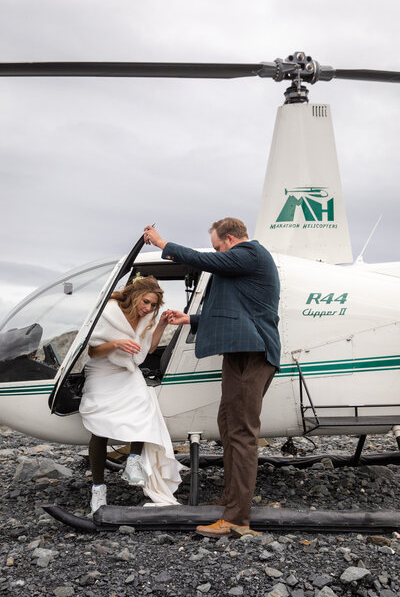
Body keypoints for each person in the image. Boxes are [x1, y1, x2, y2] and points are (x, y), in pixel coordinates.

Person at [144, 218, 280, 537]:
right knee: (228, 426)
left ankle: (237, 520)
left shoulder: (251, 254)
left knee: (242, 432)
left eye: (218, 246)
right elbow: (236, 312)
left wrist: (164, 244)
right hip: (240, 353)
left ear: (230, 239)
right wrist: (189, 319)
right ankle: (232, 500)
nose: (217, 252)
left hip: (254, 353)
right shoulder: (242, 263)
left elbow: (206, 260)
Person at [79, 275, 184, 514]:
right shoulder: (109, 311)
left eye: (153, 305)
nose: (148, 308)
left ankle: (133, 460)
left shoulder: (146, 317)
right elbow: (93, 351)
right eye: (145, 302)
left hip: (127, 369)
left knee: (144, 403)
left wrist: (161, 325)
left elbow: (148, 349)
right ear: (136, 296)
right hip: (103, 370)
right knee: (99, 426)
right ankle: (98, 489)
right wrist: (116, 344)